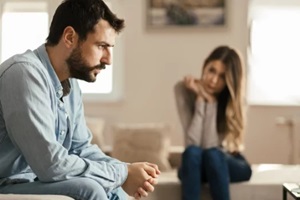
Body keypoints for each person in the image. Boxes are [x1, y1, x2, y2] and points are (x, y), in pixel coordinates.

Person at [0, 0, 160, 199]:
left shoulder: (70, 85)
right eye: (102, 46)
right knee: (89, 189)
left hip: (35, 180)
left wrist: (127, 170)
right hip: (8, 181)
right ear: (69, 37)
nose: (108, 59)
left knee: (113, 187)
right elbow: (50, 164)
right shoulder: (23, 74)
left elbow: (81, 148)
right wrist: (122, 174)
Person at [174, 45, 252, 200]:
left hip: (228, 160)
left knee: (213, 155)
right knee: (191, 153)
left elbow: (210, 146)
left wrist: (211, 102)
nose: (214, 80)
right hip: (196, 161)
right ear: (205, 65)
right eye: (212, 70)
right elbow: (194, 143)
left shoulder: (232, 100)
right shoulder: (183, 90)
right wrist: (201, 101)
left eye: (222, 76)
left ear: (229, 81)